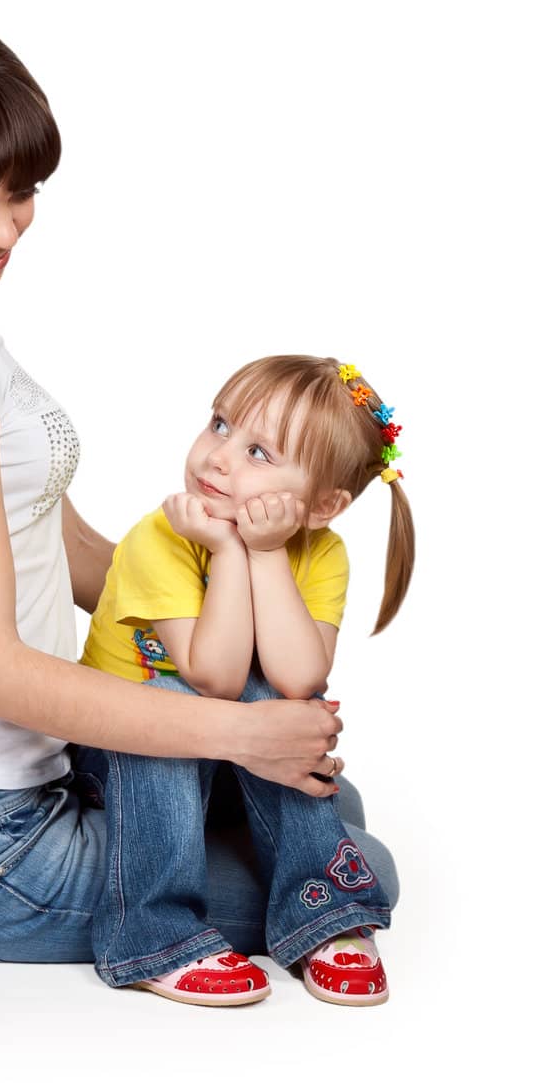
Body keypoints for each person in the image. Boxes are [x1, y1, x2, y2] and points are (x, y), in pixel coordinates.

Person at [0, 13, 398, 975]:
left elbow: (44, 533)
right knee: (358, 862)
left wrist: (204, 555)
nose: (5, 228)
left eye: (25, 192)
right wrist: (241, 732)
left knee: (324, 811)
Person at [81, 355, 410, 1006]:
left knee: (287, 696)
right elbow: (215, 679)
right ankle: (154, 935)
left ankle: (325, 915)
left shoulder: (322, 553)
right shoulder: (163, 538)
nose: (218, 456)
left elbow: (299, 675)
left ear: (323, 505)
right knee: (171, 695)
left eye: (257, 450)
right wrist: (231, 550)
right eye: (219, 424)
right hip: (120, 757)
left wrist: (265, 554)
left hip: (228, 762)